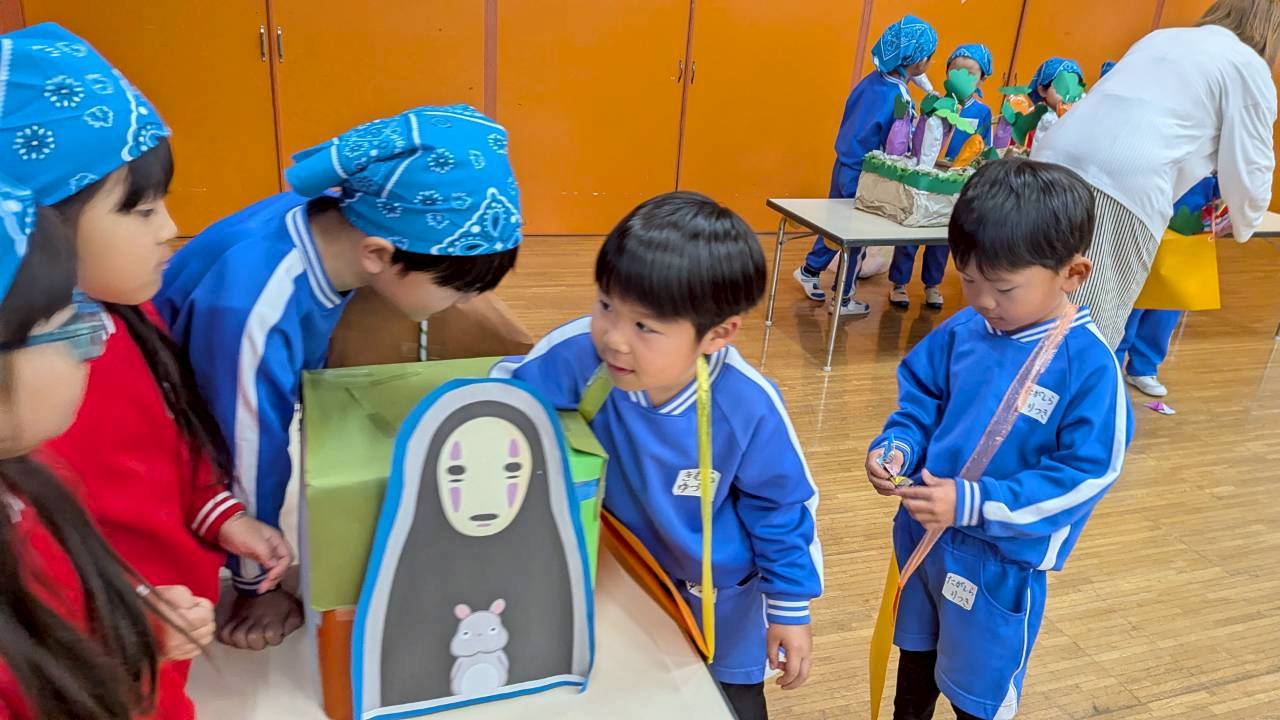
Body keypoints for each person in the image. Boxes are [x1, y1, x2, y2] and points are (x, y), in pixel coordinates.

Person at [0, 24, 292, 717]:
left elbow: (173, 436)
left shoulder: (130, 316)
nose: (169, 229)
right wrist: (128, 628)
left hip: (154, 625)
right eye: (140, 209)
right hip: (107, 661)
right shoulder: (31, 406)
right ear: (43, 223)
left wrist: (217, 515)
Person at [155, 105, 523, 650]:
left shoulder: (339, 221)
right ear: (378, 255)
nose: (466, 304)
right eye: (457, 289)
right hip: (170, 434)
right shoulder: (257, 306)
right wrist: (257, 585)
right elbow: (243, 444)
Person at [493, 192, 821, 720]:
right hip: (627, 581)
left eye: (645, 326)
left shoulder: (747, 406)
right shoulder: (580, 356)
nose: (615, 340)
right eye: (606, 305)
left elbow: (780, 508)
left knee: (728, 702)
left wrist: (788, 610)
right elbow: (503, 401)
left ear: (718, 334)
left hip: (721, 599)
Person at [866, 159, 1129, 720]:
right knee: (914, 671)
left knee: (976, 698)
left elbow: (1085, 475)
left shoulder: (1088, 366)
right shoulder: (964, 330)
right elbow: (921, 402)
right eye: (969, 280)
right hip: (924, 540)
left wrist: (974, 504)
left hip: (997, 566)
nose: (983, 301)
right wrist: (899, 446)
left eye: (1004, 287)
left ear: (1072, 274)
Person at [0, 176, 200, 720]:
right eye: (71, 325)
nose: (92, 349)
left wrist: (138, 616)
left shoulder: (30, 481)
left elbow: (71, 602)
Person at [1033, 0, 1279, 347]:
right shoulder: (1249, 67)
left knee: (1027, 299)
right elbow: (1252, 170)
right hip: (1123, 183)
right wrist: (1244, 220)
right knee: (1085, 326)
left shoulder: (1161, 38)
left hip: (1048, 160)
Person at [793, 15, 938, 316]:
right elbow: (897, 143)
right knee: (855, 238)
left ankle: (809, 270)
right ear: (919, 60)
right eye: (930, 57)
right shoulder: (899, 97)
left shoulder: (870, 81)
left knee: (834, 225)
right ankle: (843, 299)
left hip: (843, 162)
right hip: (864, 174)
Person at [889, 43, 995, 311]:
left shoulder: (982, 112)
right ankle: (899, 282)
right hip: (927, 174)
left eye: (971, 74)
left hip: (955, 181)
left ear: (982, 78)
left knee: (942, 236)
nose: (963, 78)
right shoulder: (935, 102)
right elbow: (917, 134)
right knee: (912, 228)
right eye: (956, 71)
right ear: (947, 73)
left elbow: (983, 146)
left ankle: (932, 284)